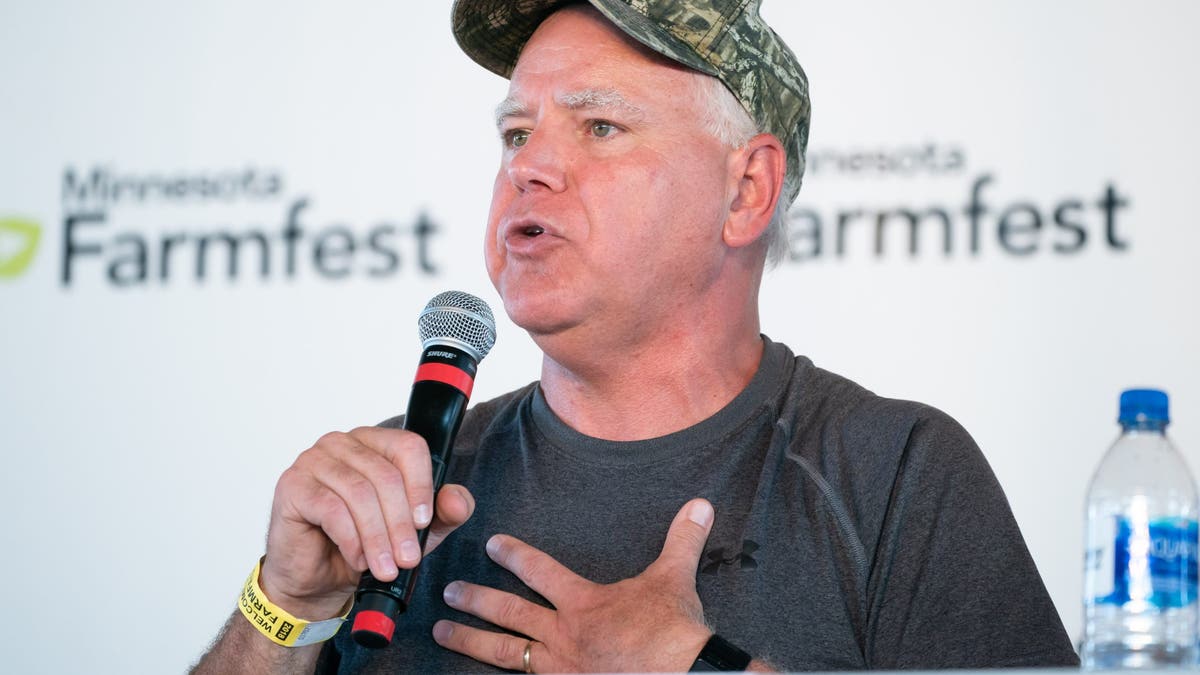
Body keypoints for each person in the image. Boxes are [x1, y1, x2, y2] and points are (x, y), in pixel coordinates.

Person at [194, 1, 1080, 672]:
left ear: (746, 192)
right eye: (516, 132)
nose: (529, 166)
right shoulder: (396, 489)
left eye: (600, 125)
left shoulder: (894, 472)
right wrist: (283, 605)